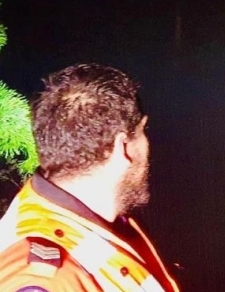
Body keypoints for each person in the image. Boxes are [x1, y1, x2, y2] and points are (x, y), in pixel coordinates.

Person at [0, 64, 180, 292]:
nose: (147, 145)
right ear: (122, 147)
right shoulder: (44, 281)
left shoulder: (102, 221)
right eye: (143, 131)